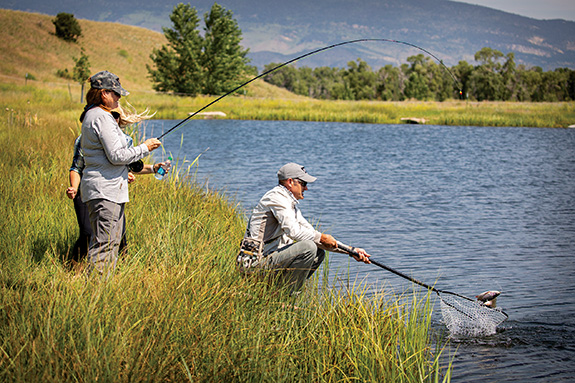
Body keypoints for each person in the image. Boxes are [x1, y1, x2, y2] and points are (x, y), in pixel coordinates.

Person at [237, 162, 371, 294]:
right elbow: (294, 232)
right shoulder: (276, 198)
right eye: (303, 184)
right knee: (308, 247)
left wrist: (351, 251)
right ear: (290, 182)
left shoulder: (289, 203)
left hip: (268, 259)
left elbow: (313, 234)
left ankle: (277, 294)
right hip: (253, 265)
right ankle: (286, 296)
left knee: (318, 251)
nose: (306, 188)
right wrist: (322, 238)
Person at [79, 70, 161, 277]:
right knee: (105, 243)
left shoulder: (94, 115)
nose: (119, 98)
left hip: (106, 189)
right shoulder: (102, 117)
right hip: (104, 190)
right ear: (103, 93)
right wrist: (145, 147)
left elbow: (113, 157)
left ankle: (102, 288)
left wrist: (146, 166)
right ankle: (96, 290)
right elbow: (116, 156)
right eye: (115, 94)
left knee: (110, 242)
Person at [65, 108, 165, 263]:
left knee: (119, 235)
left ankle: (118, 271)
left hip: (113, 192)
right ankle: (75, 269)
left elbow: (131, 165)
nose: (113, 118)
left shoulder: (126, 140)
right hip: (88, 189)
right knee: (87, 232)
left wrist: (153, 168)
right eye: (110, 115)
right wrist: (74, 187)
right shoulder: (85, 138)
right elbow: (76, 167)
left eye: (116, 115)